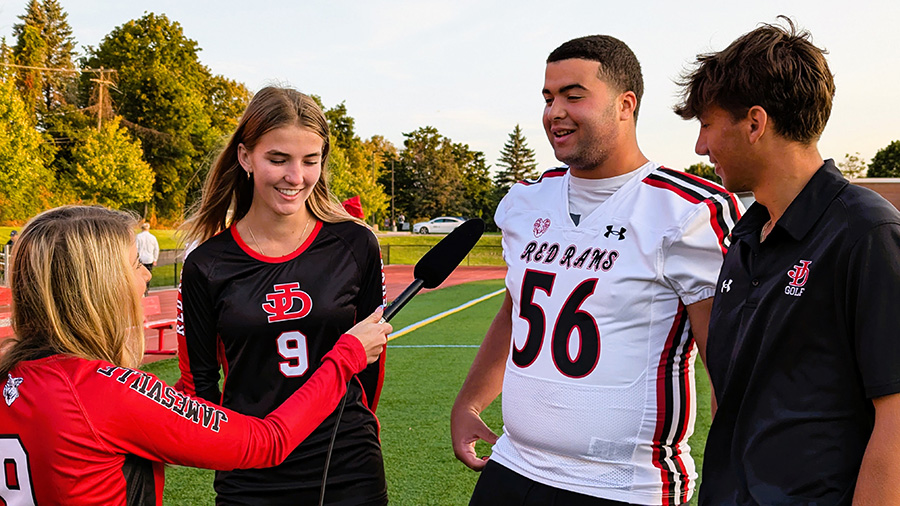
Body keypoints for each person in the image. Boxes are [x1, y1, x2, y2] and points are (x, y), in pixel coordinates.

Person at [451, 35, 741, 506]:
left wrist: (740, 468)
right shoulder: (525, 201)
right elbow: (516, 310)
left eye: (573, 95)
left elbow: (725, 361)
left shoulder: (687, 210)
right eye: (548, 98)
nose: (554, 112)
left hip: (625, 484)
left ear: (626, 105)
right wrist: (469, 401)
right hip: (513, 465)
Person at [0, 205, 390, 505]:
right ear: (99, 286)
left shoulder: (14, 378)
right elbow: (267, 441)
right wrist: (346, 356)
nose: (147, 276)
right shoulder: (103, 393)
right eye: (135, 264)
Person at [674, 17, 900, 505]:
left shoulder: (867, 233)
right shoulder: (747, 234)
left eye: (707, 125)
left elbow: (897, 418)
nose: (700, 146)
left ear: (755, 123)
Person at [175, 86, 389, 504]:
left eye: (311, 161)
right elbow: (199, 383)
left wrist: (356, 429)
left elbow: (370, 366)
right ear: (245, 158)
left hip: (346, 461)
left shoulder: (355, 243)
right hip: (251, 469)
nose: (296, 177)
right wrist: (231, 447)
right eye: (278, 160)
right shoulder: (206, 264)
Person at [135, 223, 159, 295]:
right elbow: (156, 249)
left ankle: (142, 291)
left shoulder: (138, 237)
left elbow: (136, 247)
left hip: (141, 259)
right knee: (148, 275)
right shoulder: (152, 237)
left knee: (140, 275)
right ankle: (146, 290)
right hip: (149, 259)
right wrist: (155, 259)